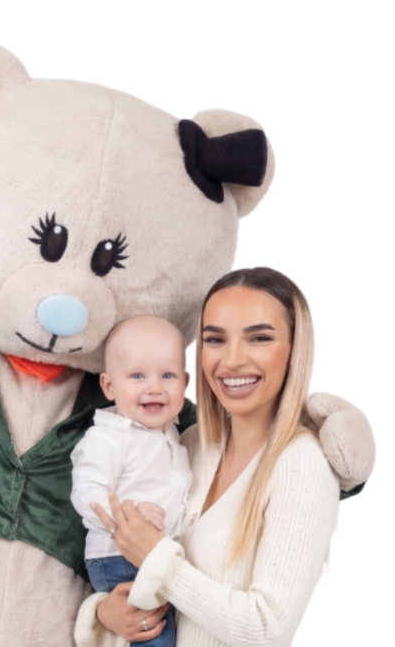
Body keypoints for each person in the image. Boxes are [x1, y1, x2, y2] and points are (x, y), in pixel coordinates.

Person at [74, 265, 341, 647]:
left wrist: (157, 558)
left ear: (294, 350)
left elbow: (269, 629)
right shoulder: (189, 444)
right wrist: (102, 613)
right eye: (215, 339)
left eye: (259, 338)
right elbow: (152, 596)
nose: (232, 360)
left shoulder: (302, 464)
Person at [70, 316, 193, 647]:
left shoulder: (172, 433)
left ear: (186, 383)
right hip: (120, 556)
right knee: (154, 637)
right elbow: (87, 493)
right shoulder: (108, 438)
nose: (154, 387)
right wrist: (131, 514)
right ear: (110, 386)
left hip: (152, 556)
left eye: (167, 375)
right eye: (137, 376)